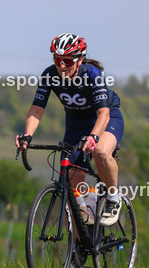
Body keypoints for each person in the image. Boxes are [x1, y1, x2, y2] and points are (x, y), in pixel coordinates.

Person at [15, 33, 124, 232]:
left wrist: (93, 137)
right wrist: (27, 135)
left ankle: (113, 197)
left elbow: (103, 112)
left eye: (67, 60)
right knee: (71, 191)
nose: (62, 65)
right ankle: (75, 254)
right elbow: (37, 109)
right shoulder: (50, 75)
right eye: (58, 60)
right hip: (75, 123)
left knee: (100, 152)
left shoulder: (92, 74)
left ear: (80, 59)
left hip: (105, 119)